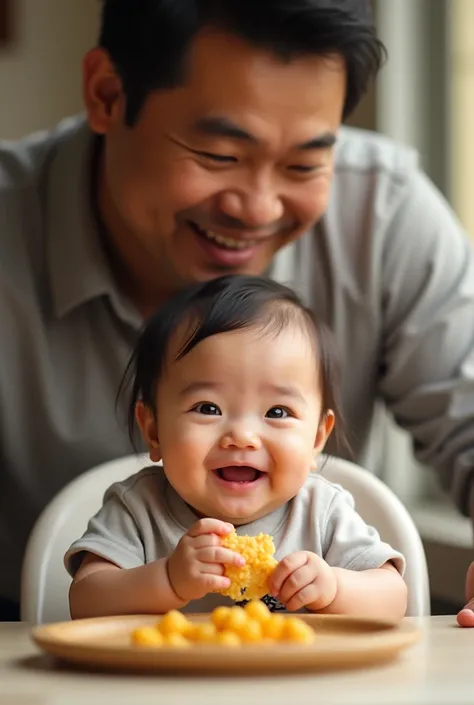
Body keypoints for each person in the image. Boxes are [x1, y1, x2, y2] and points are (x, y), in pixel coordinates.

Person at [0, 0, 473, 625]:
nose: (256, 209)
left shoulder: (385, 214)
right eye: (220, 155)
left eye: (304, 164)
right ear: (107, 94)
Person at [65, 275, 407, 620]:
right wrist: (168, 580)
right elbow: (85, 599)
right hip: (168, 673)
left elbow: (394, 598)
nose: (243, 436)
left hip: (299, 673)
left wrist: (334, 587)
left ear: (317, 439)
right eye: (208, 408)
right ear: (153, 431)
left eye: (277, 412)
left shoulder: (322, 511)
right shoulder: (138, 509)